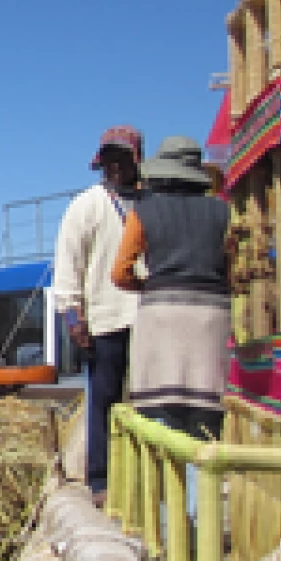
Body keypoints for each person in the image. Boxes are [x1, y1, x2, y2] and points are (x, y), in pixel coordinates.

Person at [110, 137, 233, 443]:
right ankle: (200, 488)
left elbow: (120, 272)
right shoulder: (223, 212)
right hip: (212, 316)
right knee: (206, 414)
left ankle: (164, 487)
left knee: (160, 413)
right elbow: (233, 265)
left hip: (161, 314)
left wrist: (148, 287)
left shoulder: (144, 211)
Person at [52, 126, 145, 502]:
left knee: (144, 401)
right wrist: (73, 317)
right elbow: (68, 263)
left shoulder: (149, 202)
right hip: (105, 317)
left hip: (148, 318)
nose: (116, 166)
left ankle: (141, 479)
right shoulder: (87, 204)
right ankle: (101, 479)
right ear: (101, 162)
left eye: (123, 158)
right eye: (110, 159)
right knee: (104, 399)